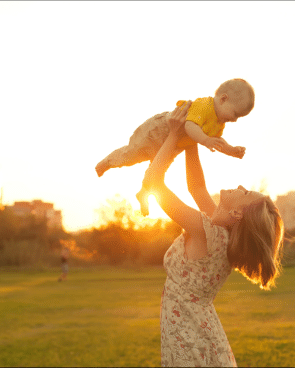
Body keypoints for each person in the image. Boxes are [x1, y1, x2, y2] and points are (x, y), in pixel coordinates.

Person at [145, 102, 284, 367]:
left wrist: (175, 135)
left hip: (188, 336)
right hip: (198, 331)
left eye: (245, 194)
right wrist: (192, 134)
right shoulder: (222, 233)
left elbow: (154, 182)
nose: (241, 186)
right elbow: (196, 187)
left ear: (237, 216)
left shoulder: (205, 230)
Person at [95, 78, 255, 216]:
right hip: (159, 131)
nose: (235, 120)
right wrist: (205, 140)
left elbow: (218, 140)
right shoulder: (205, 106)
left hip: (173, 145)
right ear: (223, 99)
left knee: (158, 171)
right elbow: (190, 126)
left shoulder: (218, 123)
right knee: (132, 154)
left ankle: (144, 192)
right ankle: (108, 162)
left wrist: (231, 150)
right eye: (235, 114)